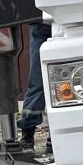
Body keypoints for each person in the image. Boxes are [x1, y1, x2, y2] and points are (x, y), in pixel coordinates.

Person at [18, 18, 51, 154]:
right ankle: (28, 136)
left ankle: (51, 139)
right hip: (46, 22)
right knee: (38, 82)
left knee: (39, 83)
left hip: (50, 20)